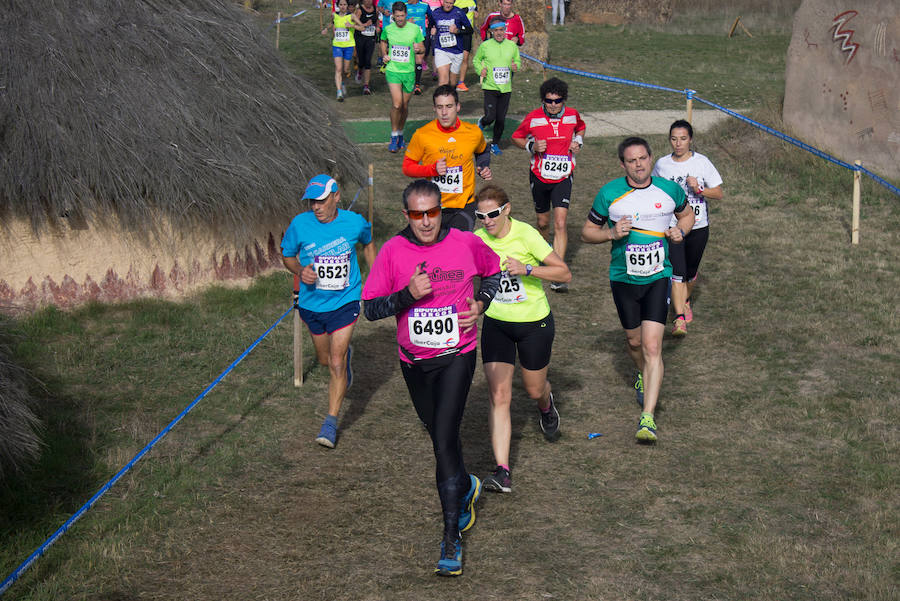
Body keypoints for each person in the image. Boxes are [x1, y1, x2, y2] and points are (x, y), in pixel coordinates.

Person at [362, 179, 501, 576]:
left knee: (442, 440)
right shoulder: (392, 251)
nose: (426, 222)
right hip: (414, 362)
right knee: (440, 434)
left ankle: (450, 538)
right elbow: (370, 309)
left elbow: (492, 274)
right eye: (418, 214)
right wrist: (407, 295)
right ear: (406, 215)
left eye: (433, 212)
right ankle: (467, 486)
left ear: (443, 210)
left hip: (457, 353)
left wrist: (480, 304)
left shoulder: (465, 242)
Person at [580, 137, 694, 444]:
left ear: (650, 158)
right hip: (623, 278)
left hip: (658, 277)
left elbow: (687, 214)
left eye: (643, 158)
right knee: (634, 342)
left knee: (653, 346)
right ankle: (643, 372)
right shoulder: (610, 194)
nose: (639, 164)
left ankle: (648, 417)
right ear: (623, 164)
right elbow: (587, 232)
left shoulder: (669, 190)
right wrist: (610, 233)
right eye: (632, 160)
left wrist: (680, 231)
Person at [473, 185, 570, 493]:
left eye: (491, 214)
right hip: (497, 324)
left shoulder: (526, 235)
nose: (486, 221)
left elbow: (563, 273)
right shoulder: (476, 240)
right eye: (480, 215)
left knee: (533, 389)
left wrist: (527, 268)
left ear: (506, 210)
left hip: (533, 323)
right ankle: (502, 471)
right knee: (499, 396)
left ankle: (546, 404)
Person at [281, 174, 377, 448]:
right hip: (312, 305)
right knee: (326, 361)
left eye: (321, 200)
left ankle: (330, 423)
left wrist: (376, 275)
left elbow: (368, 241)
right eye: (312, 201)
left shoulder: (354, 222)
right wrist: (300, 270)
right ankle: (344, 362)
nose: (315, 206)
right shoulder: (300, 224)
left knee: (335, 362)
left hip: (346, 300)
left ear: (336, 196)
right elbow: (287, 255)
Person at [511, 77, 586, 292]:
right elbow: (517, 136)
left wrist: (578, 142)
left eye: (557, 101)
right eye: (548, 101)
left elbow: (581, 128)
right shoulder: (534, 118)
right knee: (543, 223)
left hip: (563, 176)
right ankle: (544, 253)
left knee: (560, 223)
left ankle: (558, 272)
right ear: (543, 100)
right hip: (539, 177)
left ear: (564, 100)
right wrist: (531, 145)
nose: (553, 105)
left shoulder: (573, 115)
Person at [651, 119, 724, 336]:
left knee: (690, 272)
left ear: (690, 140)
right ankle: (679, 316)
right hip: (673, 227)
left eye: (683, 139)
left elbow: (718, 193)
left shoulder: (702, 163)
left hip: (699, 226)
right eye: (674, 139)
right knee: (677, 272)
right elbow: (653, 189)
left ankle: (686, 299)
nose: (678, 144)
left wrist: (700, 189)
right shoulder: (662, 165)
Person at [402, 85, 492, 231]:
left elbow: (482, 151)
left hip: (464, 206)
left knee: (457, 250)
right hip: (434, 206)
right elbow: (407, 167)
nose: (444, 113)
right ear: (434, 109)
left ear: (458, 107)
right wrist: (432, 169)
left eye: (449, 106)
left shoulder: (473, 132)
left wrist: (483, 166)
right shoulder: (422, 135)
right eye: (439, 107)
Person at [381, 2, 426, 152]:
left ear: (406, 14)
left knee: (405, 106)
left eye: (402, 16)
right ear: (393, 15)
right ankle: (393, 135)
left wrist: (418, 48)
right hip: (393, 71)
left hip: (409, 73)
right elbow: (383, 41)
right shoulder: (388, 28)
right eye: (397, 16)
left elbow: (422, 48)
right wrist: (384, 54)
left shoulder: (414, 29)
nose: (399, 19)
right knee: (397, 104)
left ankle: (400, 133)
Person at [473, 18, 520, 156]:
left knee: (500, 118)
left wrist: (516, 66)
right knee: (490, 116)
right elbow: (476, 60)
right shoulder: (485, 46)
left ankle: (495, 144)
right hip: (490, 86)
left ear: (505, 30)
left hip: (506, 88)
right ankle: (482, 122)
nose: (499, 33)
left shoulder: (512, 46)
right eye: (496, 30)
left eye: (501, 30)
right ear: (491, 31)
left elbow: (517, 60)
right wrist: (480, 69)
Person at [323, 0, 365, 101]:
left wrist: (352, 26)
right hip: (337, 45)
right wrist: (326, 29)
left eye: (344, 5)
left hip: (349, 46)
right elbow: (331, 23)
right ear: (338, 6)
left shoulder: (352, 16)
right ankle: (339, 92)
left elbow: (362, 28)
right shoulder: (334, 15)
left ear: (347, 6)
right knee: (338, 68)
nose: (342, 7)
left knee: (345, 70)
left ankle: (342, 83)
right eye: (341, 5)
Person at [427, 0, 474, 88]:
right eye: (446, 2)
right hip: (441, 49)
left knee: (452, 83)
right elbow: (431, 25)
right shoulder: (436, 13)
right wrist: (432, 31)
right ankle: (442, 100)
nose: (448, 5)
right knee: (443, 81)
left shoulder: (459, 12)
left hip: (457, 50)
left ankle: (450, 98)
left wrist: (458, 31)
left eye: (451, 3)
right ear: (442, 1)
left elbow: (470, 30)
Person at [354, 0, 382, 95]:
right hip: (360, 37)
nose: (369, 2)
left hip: (370, 37)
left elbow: (377, 20)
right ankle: (360, 70)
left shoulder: (375, 10)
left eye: (370, 0)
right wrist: (365, 25)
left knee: (368, 60)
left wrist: (377, 27)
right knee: (361, 60)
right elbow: (355, 24)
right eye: (367, 0)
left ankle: (366, 86)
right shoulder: (359, 10)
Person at [404, 0, 431, 95]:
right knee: (408, 60)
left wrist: (432, 29)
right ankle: (408, 82)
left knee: (419, 60)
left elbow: (432, 19)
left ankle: (417, 85)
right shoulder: (404, 5)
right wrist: (407, 22)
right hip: (407, 36)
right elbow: (396, 20)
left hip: (420, 36)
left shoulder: (425, 5)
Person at [453, 0, 477, 91]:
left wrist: (476, 13)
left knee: (465, 57)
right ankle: (451, 81)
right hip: (455, 32)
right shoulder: (454, 1)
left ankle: (461, 83)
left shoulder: (473, 1)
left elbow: (475, 9)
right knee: (453, 57)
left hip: (467, 32)